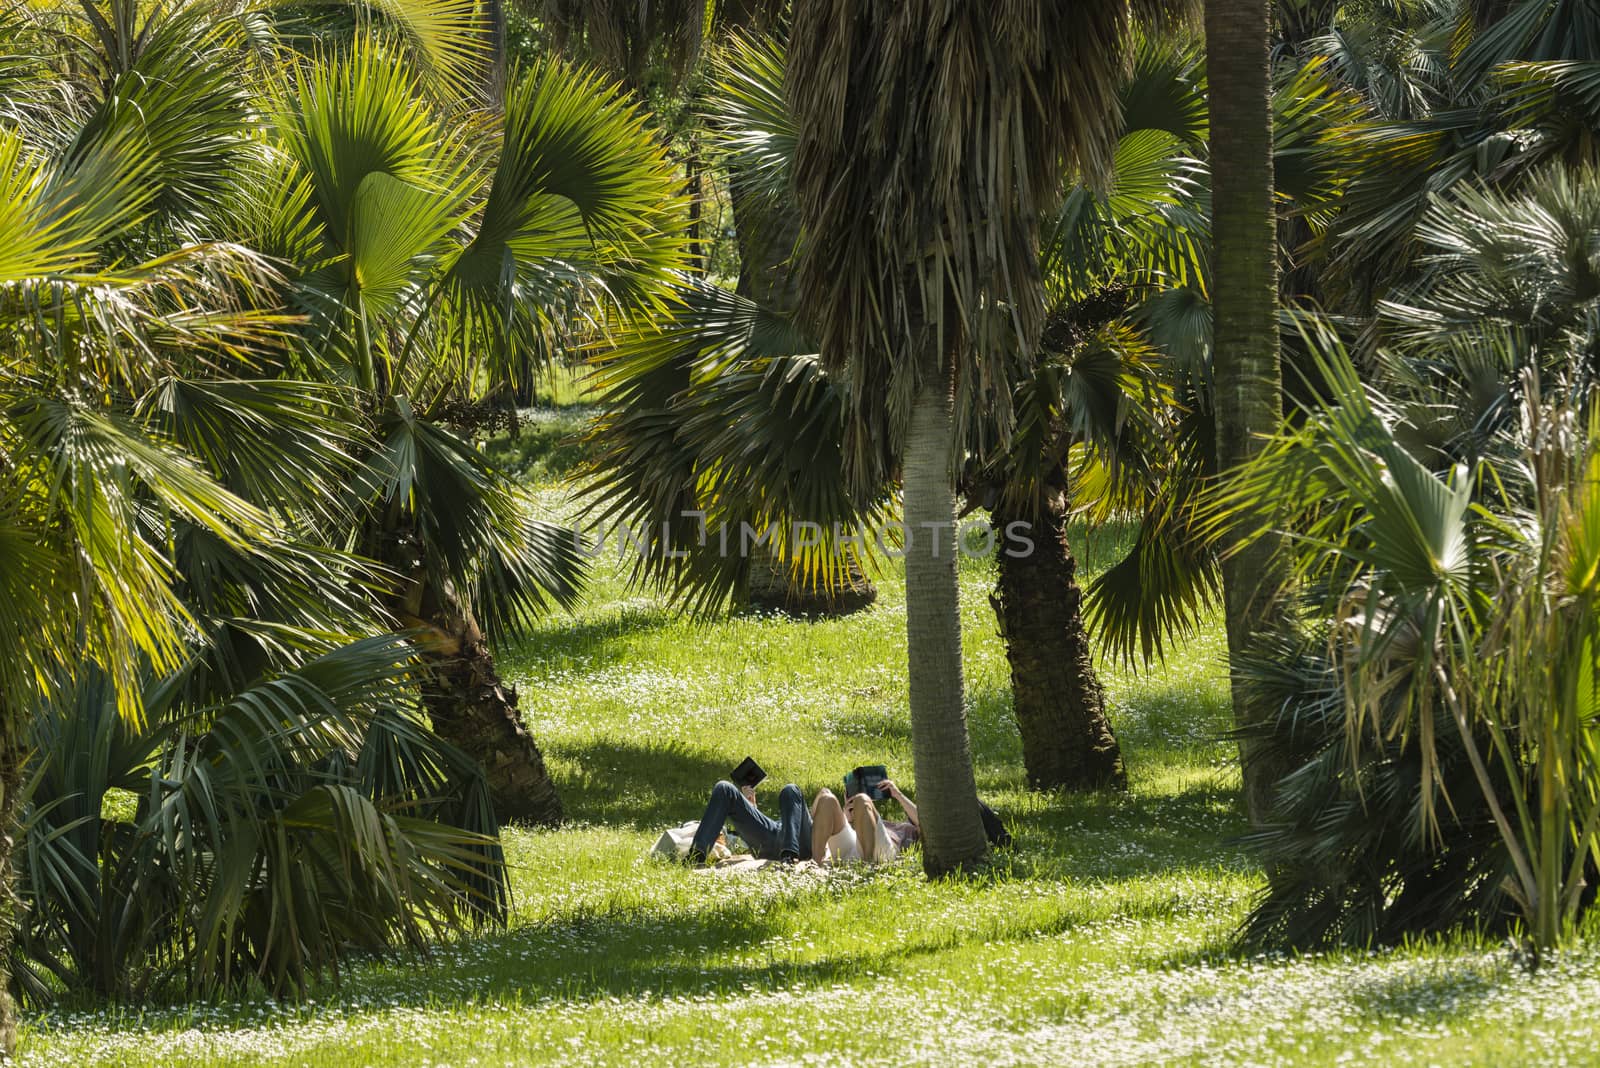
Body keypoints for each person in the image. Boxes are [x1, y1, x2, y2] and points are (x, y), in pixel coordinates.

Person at [687, 778, 813, 864]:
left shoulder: (819, 806)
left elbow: (826, 803)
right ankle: (697, 855)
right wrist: (752, 808)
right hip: (771, 836)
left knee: (790, 790)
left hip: (798, 840)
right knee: (724, 787)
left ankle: (790, 854)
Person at [809, 779, 919, 867]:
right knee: (826, 797)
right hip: (854, 845)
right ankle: (815, 863)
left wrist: (897, 794)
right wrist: (848, 817)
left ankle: (867, 865)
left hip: (881, 851)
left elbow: (921, 820)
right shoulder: (883, 822)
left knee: (862, 798)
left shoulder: (913, 829)